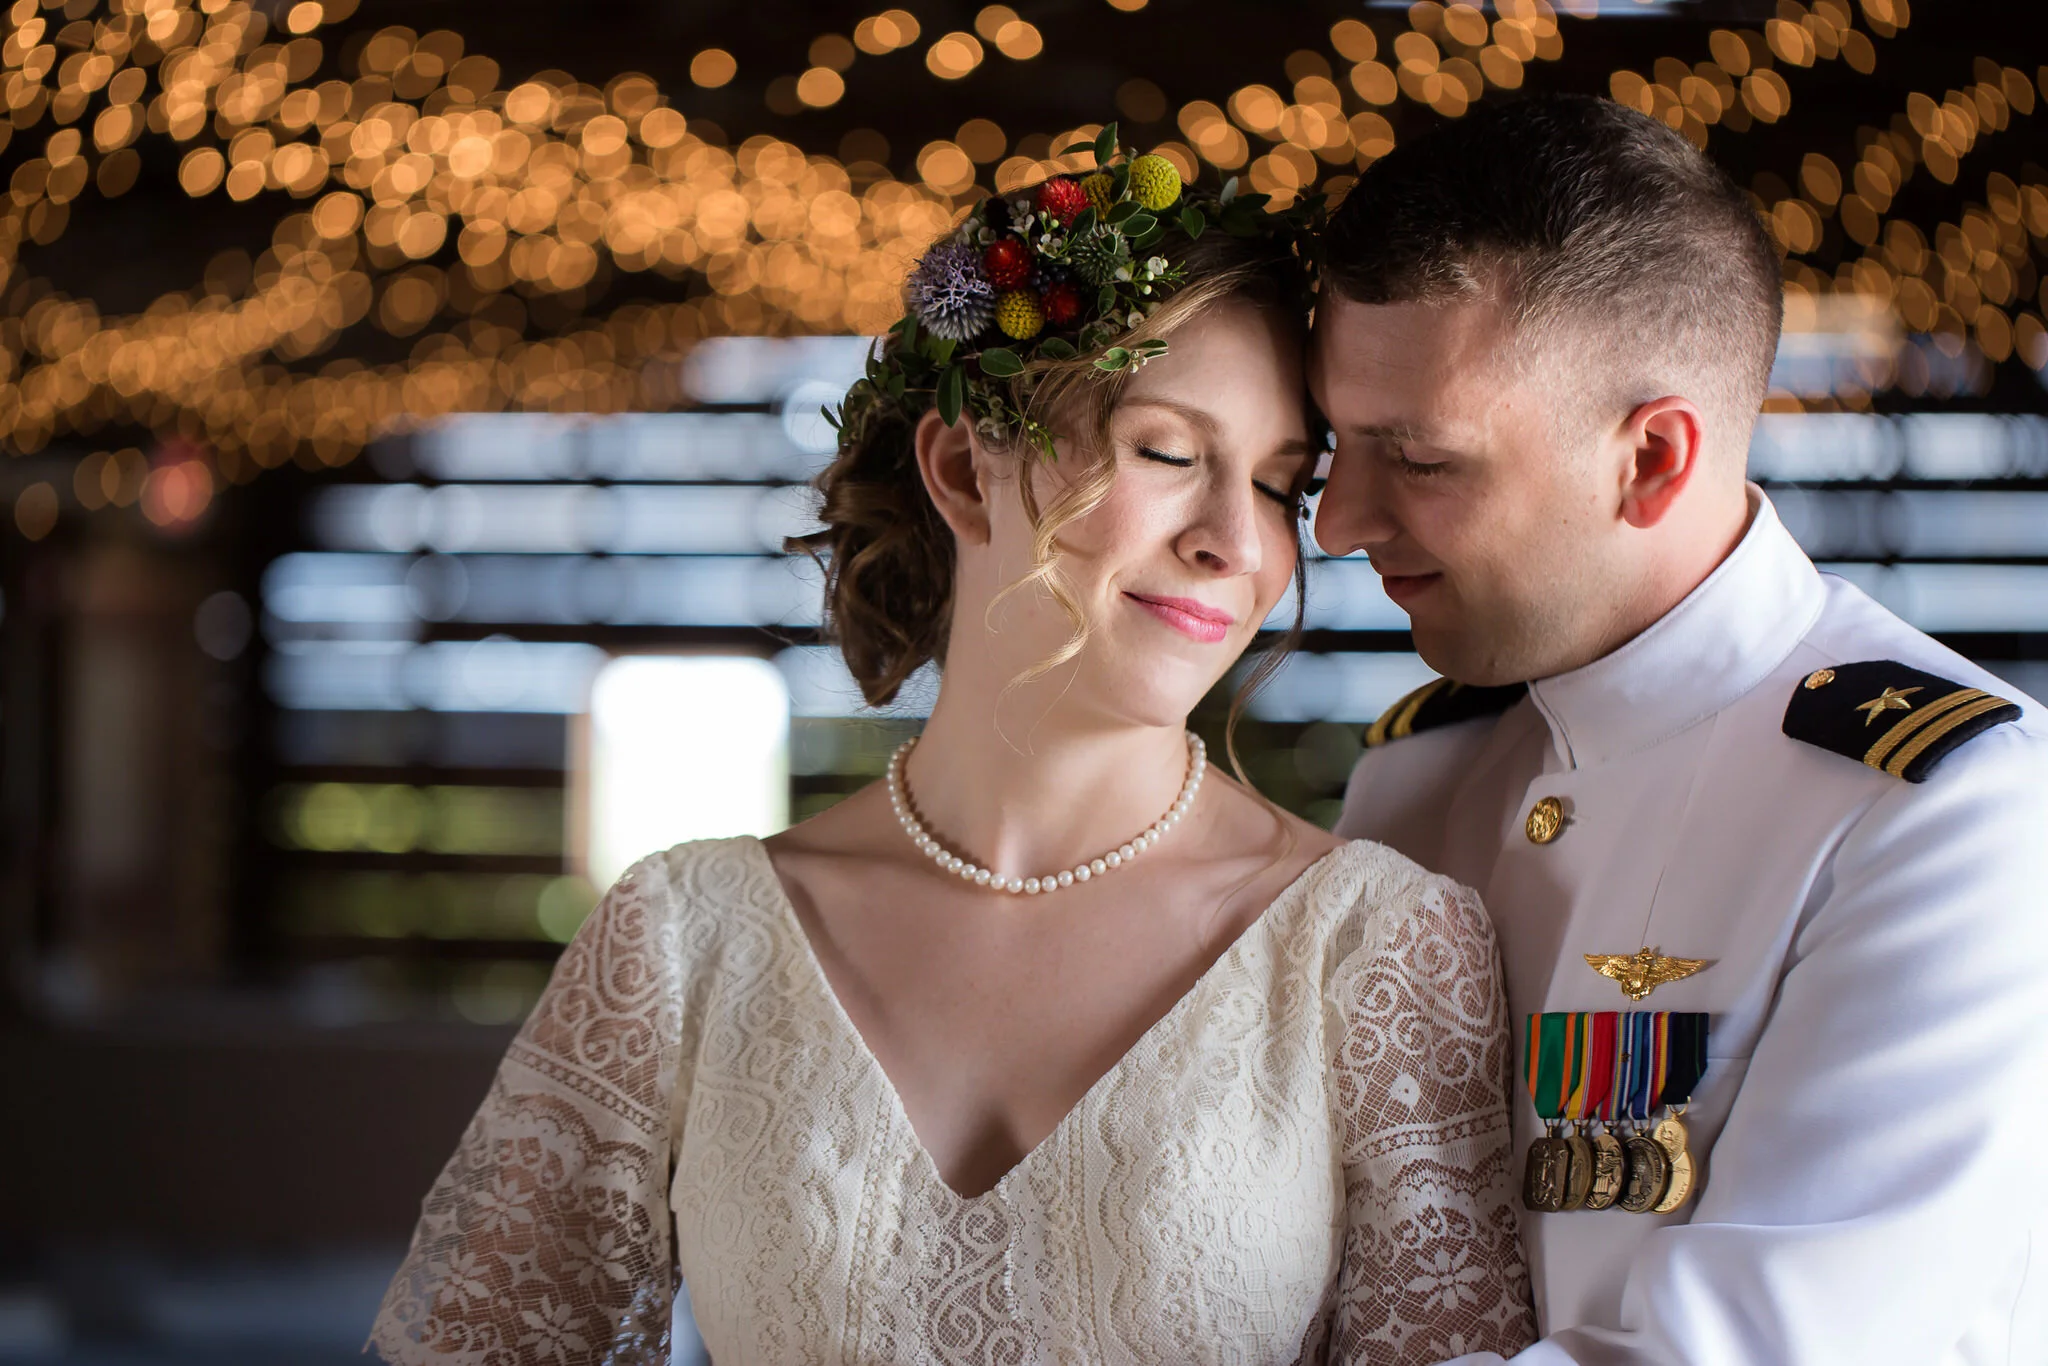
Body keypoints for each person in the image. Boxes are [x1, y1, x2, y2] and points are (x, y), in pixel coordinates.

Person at [370, 138, 1536, 1365]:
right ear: (960, 470)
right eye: (1167, 452)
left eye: (1276, 488)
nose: (1232, 545)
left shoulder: (1374, 951)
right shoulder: (683, 941)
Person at [1312, 93, 2048, 1365]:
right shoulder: (1417, 765)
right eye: (1335, 444)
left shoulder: (1947, 807)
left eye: (1418, 459)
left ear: (1650, 458)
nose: (1335, 520)